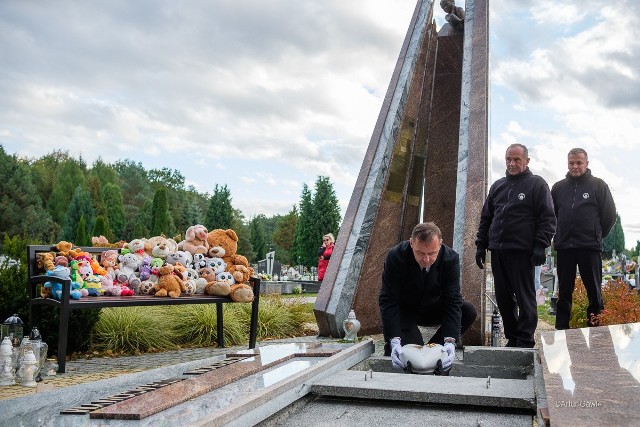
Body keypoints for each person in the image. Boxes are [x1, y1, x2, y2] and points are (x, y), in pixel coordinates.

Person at [475, 143, 556, 348]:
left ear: (527, 161)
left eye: (516, 160)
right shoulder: (498, 186)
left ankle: (525, 338)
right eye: (509, 159)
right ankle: (512, 336)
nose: (512, 163)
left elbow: (547, 218)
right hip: (498, 250)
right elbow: (487, 218)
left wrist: (540, 245)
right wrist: (480, 245)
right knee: (503, 298)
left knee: (524, 296)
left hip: (522, 251)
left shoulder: (537, 185)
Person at [379, 222, 477, 372]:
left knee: (468, 310)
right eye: (420, 253)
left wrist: (450, 341)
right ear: (411, 243)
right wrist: (394, 339)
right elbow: (388, 299)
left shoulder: (450, 259)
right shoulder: (395, 256)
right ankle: (400, 344)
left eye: (431, 254)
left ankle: (437, 348)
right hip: (405, 310)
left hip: (435, 307)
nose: (426, 260)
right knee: (413, 360)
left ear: (440, 245)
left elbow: (452, 300)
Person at [551, 148, 616, 329]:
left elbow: (609, 215)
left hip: (589, 247)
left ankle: (595, 328)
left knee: (594, 292)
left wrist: (596, 234)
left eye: (579, 162)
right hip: (564, 247)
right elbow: (551, 216)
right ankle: (561, 329)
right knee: (564, 292)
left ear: (586, 163)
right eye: (571, 163)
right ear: (567, 163)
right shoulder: (558, 188)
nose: (575, 166)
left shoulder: (598, 185)